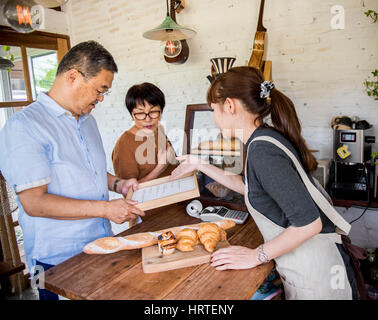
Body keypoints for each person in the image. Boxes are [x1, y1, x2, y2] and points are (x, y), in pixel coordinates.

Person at [170, 66, 359, 300]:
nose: (215, 119)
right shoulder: (264, 138)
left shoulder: (262, 151)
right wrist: (201, 164)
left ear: (230, 105)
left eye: (214, 110)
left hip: (317, 277)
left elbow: (309, 224)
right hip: (311, 270)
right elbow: (250, 187)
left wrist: (256, 256)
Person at [0, 41, 145, 300]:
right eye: (100, 90)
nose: (100, 99)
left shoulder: (87, 121)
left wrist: (118, 185)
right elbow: (35, 203)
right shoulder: (24, 126)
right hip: (55, 260)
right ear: (73, 77)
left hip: (100, 244)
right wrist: (106, 209)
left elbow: (90, 171)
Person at [112, 82, 178, 183]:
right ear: (132, 115)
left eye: (153, 112)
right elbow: (128, 191)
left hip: (177, 191)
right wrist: (160, 168)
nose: (148, 119)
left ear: (161, 112)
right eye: (140, 113)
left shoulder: (158, 129)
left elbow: (173, 163)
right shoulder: (124, 145)